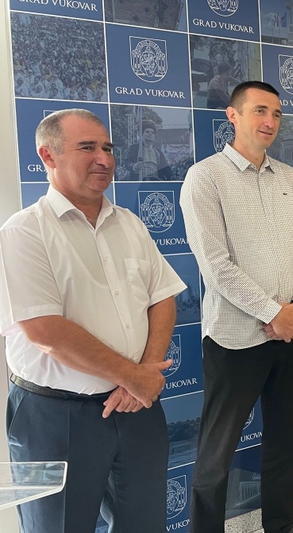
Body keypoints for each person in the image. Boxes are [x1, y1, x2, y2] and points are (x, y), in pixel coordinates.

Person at [0, 109, 186, 532]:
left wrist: (142, 375)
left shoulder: (130, 225)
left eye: (108, 148)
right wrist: (133, 377)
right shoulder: (24, 232)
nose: (104, 159)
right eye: (88, 147)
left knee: (145, 524)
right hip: (57, 417)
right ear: (48, 156)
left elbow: (162, 298)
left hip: (136, 407)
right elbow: (45, 331)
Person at [181, 81, 293, 533]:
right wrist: (272, 312)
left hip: (290, 333)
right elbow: (215, 265)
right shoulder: (205, 177)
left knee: (286, 440)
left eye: (276, 114)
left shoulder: (290, 178)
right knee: (216, 455)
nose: (270, 121)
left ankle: (281, 525)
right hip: (234, 339)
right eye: (260, 110)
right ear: (233, 115)